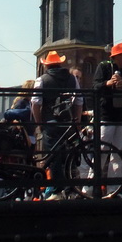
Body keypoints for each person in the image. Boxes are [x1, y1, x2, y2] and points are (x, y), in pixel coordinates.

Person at [32, 51, 83, 199]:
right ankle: (71, 189)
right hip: (68, 123)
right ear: (60, 64)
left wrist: (39, 123)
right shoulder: (72, 79)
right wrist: (77, 121)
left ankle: (57, 191)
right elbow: (79, 101)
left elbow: (35, 103)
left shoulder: (42, 80)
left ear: (46, 65)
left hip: (51, 122)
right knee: (69, 156)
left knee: (54, 156)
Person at [93, 42, 122, 185]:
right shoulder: (104, 67)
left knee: (119, 154)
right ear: (118, 56)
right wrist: (108, 83)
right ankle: (90, 186)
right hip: (107, 115)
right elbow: (95, 86)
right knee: (101, 150)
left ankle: (114, 188)